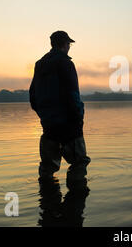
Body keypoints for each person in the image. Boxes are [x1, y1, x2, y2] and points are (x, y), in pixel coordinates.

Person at [29, 31, 90, 181]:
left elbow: (33, 97)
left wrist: (45, 115)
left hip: (49, 124)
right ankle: (75, 200)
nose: (69, 47)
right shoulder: (65, 63)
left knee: (47, 168)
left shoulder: (40, 64)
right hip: (69, 124)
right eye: (69, 44)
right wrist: (78, 117)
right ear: (65, 44)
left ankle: (48, 200)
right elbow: (72, 94)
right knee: (79, 163)